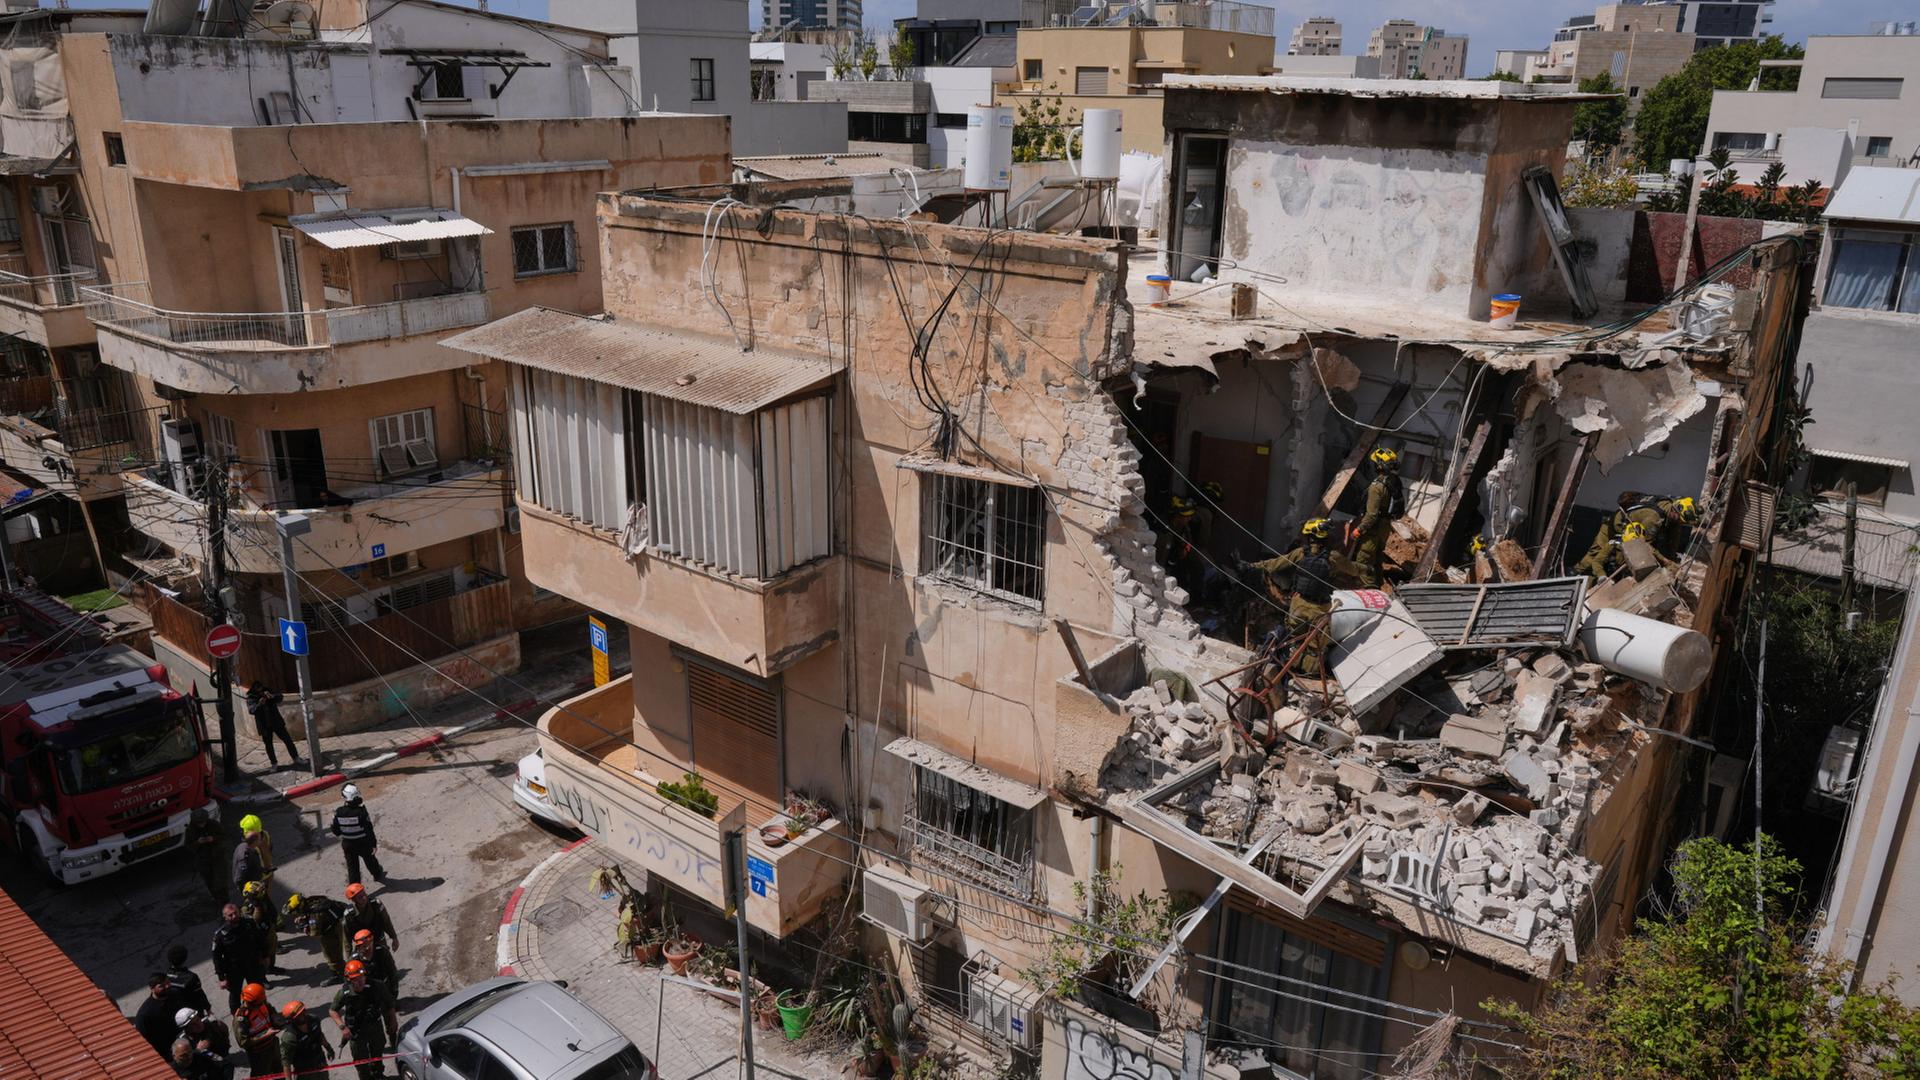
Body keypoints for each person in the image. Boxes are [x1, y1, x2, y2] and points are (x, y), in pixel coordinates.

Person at [1243, 518, 1363, 678]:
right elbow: (1353, 570)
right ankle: (1304, 677)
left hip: (1298, 606)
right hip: (1319, 610)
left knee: (1293, 639)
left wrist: (1251, 566)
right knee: (1315, 648)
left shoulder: (1300, 553)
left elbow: (1275, 564)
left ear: (1309, 537)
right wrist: (1365, 569)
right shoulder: (1334, 557)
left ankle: (1286, 671)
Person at [1574, 492, 1701, 580]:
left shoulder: (1669, 506)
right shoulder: (1654, 519)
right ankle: (1574, 574)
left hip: (1630, 531)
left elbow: (1674, 537)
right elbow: (1644, 546)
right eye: (1680, 520)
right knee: (1595, 553)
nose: (1680, 523)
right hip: (1614, 526)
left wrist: (1671, 559)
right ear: (1676, 510)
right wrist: (1665, 562)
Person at [330, 960, 398, 1080]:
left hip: (375, 1028)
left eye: (362, 977)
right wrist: (342, 1027)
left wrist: (393, 1020)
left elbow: (389, 1003)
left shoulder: (377, 986)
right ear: (349, 980)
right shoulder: (345, 993)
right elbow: (333, 1010)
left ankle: (378, 1075)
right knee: (360, 1061)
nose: (360, 981)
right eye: (356, 979)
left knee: (377, 1055)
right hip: (356, 1033)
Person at [1352, 448, 1404, 588]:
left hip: (1373, 529)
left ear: (1379, 466)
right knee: (1377, 558)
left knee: (1363, 560)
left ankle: (1368, 589)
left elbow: (1371, 515)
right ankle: (1379, 586)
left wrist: (1359, 529)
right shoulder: (1394, 481)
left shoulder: (1376, 487)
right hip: (1385, 528)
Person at [211, 902, 267, 1013]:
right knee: (235, 994)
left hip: (252, 964)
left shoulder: (249, 923)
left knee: (257, 989)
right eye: (230, 915)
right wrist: (221, 978)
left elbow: (260, 939)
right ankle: (237, 1016)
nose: (234, 916)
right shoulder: (221, 934)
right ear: (225, 917)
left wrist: (265, 956)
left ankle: (263, 1011)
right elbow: (216, 957)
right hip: (234, 969)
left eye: (235, 913)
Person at [330, 784, 386, 886]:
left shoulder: (338, 813)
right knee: (370, 860)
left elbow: (336, 831)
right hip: (363, 843)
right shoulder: (361, 812)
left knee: (352, 867)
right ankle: (377, 874)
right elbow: (369, 830)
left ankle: (355, 889)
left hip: (348, 844)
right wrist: (373, 844)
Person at [286, 892, 351, 980]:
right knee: (333, 954)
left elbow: (315, 934)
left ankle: (341, 976)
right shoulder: (313, 901)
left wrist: (304, 928)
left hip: (331, 934)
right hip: (335, 925)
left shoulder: (314, 914)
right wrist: (305, 918)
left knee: (332, 955)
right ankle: (337, 973)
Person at [230, 982, 283, 1078]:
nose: (262, 1004)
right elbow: (244, 1042)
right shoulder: (241, 1019)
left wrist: (277, 1021)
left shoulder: (263, 1003)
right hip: (259, 1054)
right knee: (260, 1076)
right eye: (259, 1004)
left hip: (273, 1045)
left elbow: (273, 1014)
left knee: (279, 1071)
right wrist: (266, 1035)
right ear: (250, 1002)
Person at [245, 681, 300, 770]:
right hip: (264, 725)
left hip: (276, 721)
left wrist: (272, 696)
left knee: (288, 740)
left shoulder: (268, 691)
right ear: (254, 690)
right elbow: (251, 710)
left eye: (261, 690)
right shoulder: (251, 697)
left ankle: (296, 758)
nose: (261, 692)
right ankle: (274, 763)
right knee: (269, 745)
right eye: (259, 690)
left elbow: (280, 697)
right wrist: (259, 704)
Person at [276, 1000, 334, 1080]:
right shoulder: (289, 1037)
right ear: (292, 1019)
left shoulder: (314, 1020)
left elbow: (320, 1035)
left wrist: (329, 1048)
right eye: (299, 1015)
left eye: (303, 1011)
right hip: (304, 1071)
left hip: (320, 1063)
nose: (303, 1015)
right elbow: (286, 1062)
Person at [185, 808, 228, 905]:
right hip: (203, 859)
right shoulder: (190, 830)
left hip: (218, 856)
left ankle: (225, 900)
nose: (202, 825)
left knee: (221, 880)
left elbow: (224, 836)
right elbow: (188, 846)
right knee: (210, 881)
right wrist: (198, 843)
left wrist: (213, 839)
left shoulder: (214, 824)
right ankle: (217, 899)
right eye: (199, 823)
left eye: (203, 822)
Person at [342, 882, 398, 952]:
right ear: (354, 900)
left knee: (384, 956)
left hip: (379, 940)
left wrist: (394, 937)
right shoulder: (349, 915)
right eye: (360, 897)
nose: (364, 898)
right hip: (363, 947)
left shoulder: (376, 904)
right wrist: (349, 957)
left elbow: (386, 922)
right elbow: (346, 939)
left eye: (364, 894)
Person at [136, 972, 182, 1054]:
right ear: (152, 989)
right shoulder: (145, 1014)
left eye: (168, 982)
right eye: (161, 986)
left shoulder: (175, 994)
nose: (167, 986)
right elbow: (145, 1039)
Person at [241, 879, 281, 976]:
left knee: (272, 950)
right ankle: (263, 976)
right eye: (259, 892)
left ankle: (271, 968)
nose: (262, 893)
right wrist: (257, 906)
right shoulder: (247, 907)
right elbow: (255, 921)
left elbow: (270, 909)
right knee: (263, 957)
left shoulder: (262, 898)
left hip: (269, 929)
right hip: (260, 935)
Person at [349, 928, 400, 1002]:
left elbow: (392, 970)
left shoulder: (382, 951)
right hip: (367, 991)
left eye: (368, 945)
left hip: (384, 986)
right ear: (358, 947)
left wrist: (394, 988)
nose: (367, 948)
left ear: (372, 941)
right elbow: (349, 980)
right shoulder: (354, 960)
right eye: (363, 946)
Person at [165, 944, 211, 1015]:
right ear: (184, 959)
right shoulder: (191, 977)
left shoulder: (166, 975)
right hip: (193, 1011)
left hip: (177, 1012)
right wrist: (207, 1008)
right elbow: (200, 995)